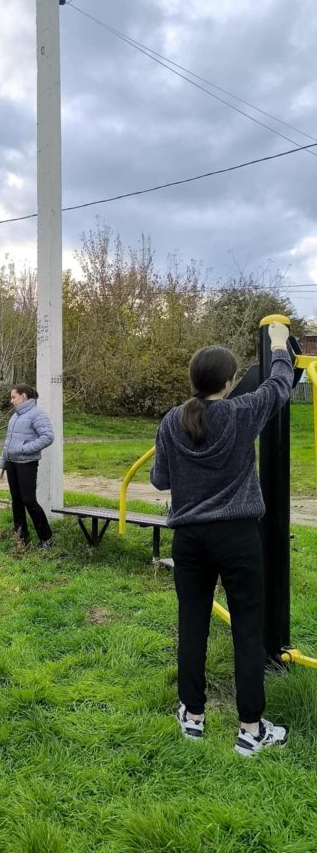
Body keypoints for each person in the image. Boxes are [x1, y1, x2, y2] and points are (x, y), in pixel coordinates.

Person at [150, 322, 293, 756]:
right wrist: (280, 342)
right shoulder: (241, 411)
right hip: (236, 538)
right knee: (248, 630)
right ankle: (251, 730)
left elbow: (159, 481)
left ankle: (193, 718)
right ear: (229, 382)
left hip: (189, 540)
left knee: (192, 625)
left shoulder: (172, 421)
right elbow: (281, 382)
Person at [0, 384, 55, 548]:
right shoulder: (15, 417)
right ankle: (21, 538)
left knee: (29, 501)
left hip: (26, 464)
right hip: (11, 464)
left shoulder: (37, 414)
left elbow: (48, 437)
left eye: (13, 397)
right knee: (16, 500)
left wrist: (24, 449)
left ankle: (47, 539)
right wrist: (2, 464)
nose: (11, 401)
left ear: (23, 396)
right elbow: (7, 443)